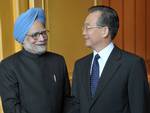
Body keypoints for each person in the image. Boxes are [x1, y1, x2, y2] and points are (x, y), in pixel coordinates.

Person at [71, 5, 150, 113]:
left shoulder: (132, 64)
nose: (83, 33)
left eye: (88, 28)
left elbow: (140, 108)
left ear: (105, 31)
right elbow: (75, 107)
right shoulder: (80, 65)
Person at [0, 8, 70, 113]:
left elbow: (68, 100)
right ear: (23, 39)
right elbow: (12, 108)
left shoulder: (58, 60)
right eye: (35, 35)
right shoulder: (8, 66)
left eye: (44, 33)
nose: (42, 39)